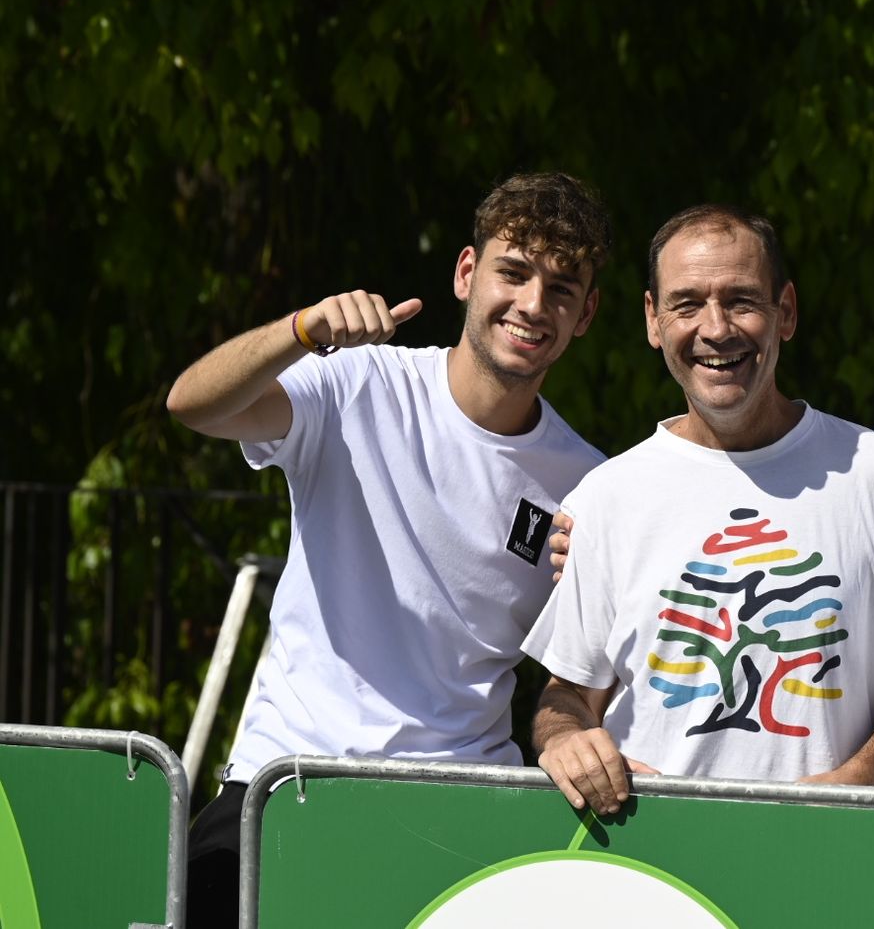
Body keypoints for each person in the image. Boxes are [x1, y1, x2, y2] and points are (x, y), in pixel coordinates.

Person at [166, 172, 611, 922]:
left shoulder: (592, 483)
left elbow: (585, 678)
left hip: (459, 812)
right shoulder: (356, 382)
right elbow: (194, 404)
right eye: (514, 271)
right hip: (288, 784)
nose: (534, 304)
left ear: (587, 314)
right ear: (467, 273)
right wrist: (301, 329)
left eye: (562, 287)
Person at [524, 205, 874, 815]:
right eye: (687, 304)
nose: (716, 329)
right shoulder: (605, 497)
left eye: (742, 300)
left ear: (786, 312)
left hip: (826, 853)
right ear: (652, 320)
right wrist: (564, 740)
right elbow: (569, 693)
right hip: (652, 852)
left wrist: (858, 780)